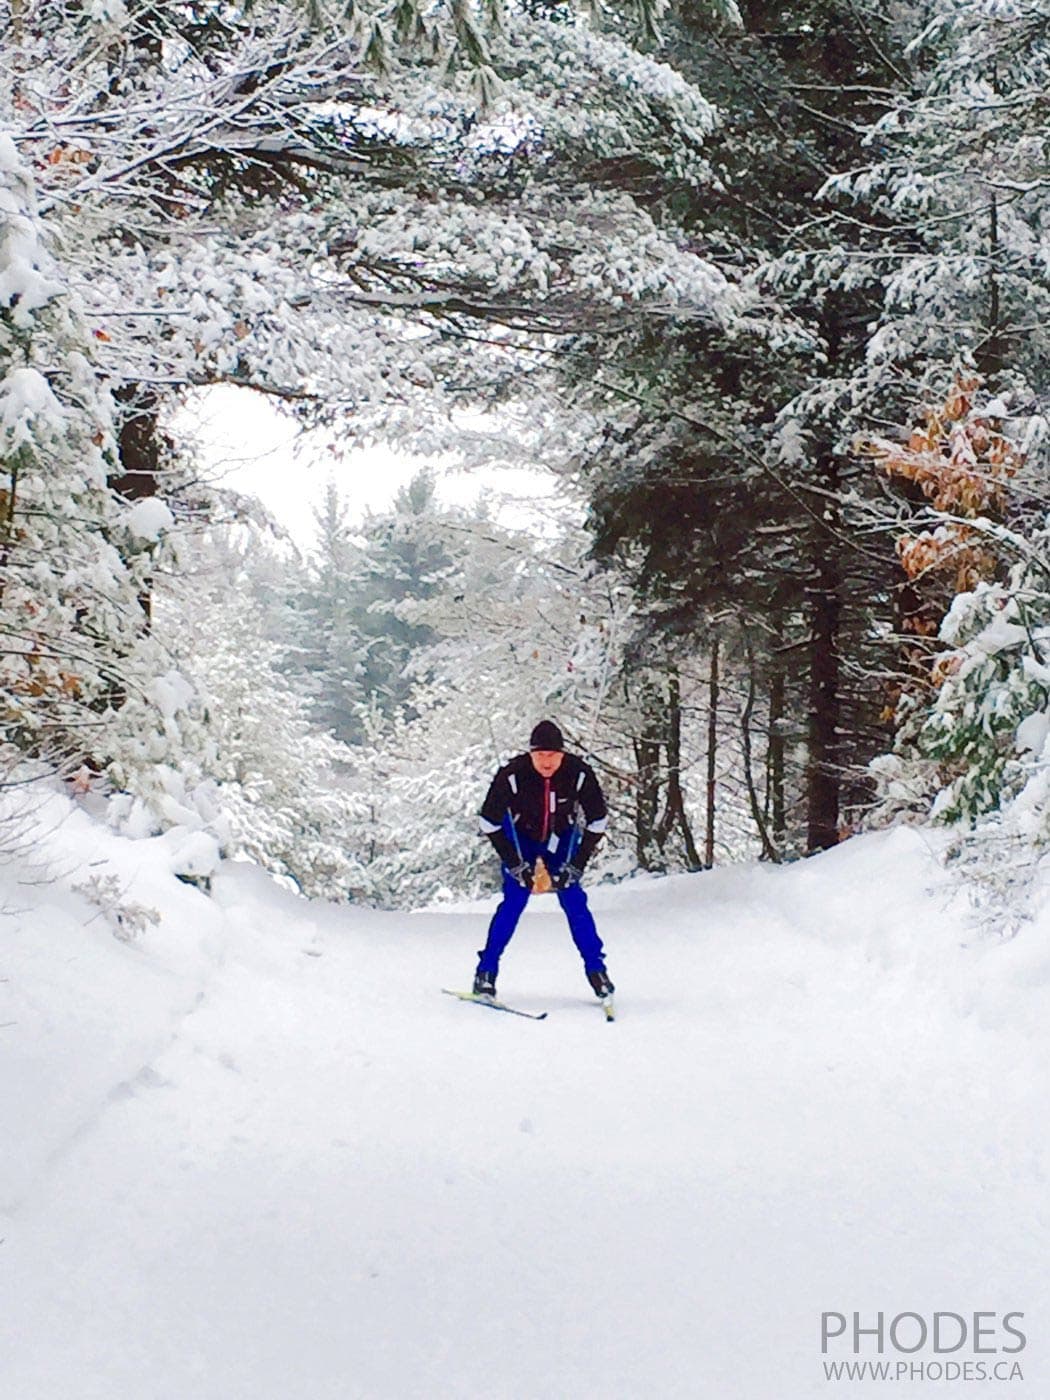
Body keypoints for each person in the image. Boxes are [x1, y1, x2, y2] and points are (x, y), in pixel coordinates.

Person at [473, 720, 614, 1000]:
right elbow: (488, 822)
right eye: (540, 755)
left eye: (552, 755)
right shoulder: (512, 774)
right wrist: (515, 864)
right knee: (514, 901)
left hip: (561, 840)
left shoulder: (579, 774)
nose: (546, 762)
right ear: (530, 754)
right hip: (521, 841)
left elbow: (598, 820)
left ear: (562, 754)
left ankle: (597, 971)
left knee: (574, 900)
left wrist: (577, 864)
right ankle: (486, 972)